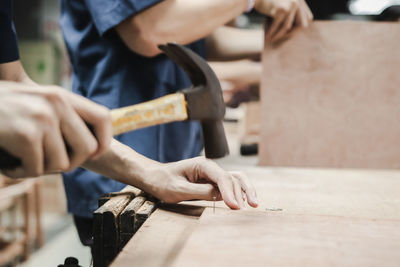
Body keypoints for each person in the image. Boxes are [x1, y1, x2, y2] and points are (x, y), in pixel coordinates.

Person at [2, 0, 259, 249]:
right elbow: (149, 29)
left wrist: (153, 172)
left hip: (128, 154)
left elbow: (12, 81)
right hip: (113, 172)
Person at [60, 0, 312, 247]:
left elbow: (192, 35)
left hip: (174, 164)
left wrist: (280, 41)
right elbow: (150, 29)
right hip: (116, 163)